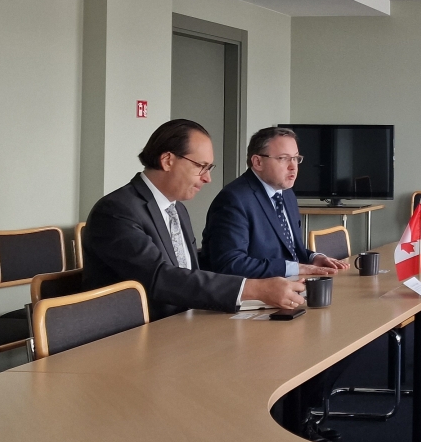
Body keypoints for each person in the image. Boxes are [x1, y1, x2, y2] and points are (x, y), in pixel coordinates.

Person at [83, 119, 307, 320]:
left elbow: (192, 272)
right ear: (168, 160)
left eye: (209, 168)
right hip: (136, 334)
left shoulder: (177, 209)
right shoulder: (116, 211)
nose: (208, 178)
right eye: (201, 166)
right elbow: (160, 278)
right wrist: (254, 289)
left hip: (185, 322)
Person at [202, 127, 348, 280]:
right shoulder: (233, 200)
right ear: (258, 162)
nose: (293, 166)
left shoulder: (287, 194)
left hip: (291, 285)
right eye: (283, 158)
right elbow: (230, 265)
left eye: (296, 158)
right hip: (259, 291)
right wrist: (298, 268)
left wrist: (313, 258)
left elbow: (289, 251)